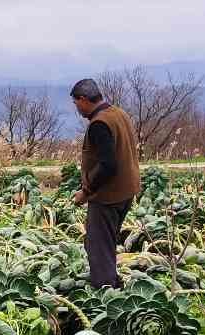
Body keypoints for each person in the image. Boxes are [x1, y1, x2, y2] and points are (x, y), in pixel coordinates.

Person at [69, 78, 141, 288]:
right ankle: (114, 283)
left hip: (108, 196)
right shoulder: (119, 113)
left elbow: (108, 165)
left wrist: (86, 191)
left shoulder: (100, 123)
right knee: (107, 241)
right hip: (126, 191)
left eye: (76, 103)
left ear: (83, 99)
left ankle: (106, 293)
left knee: (98, 245)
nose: (77, 109)